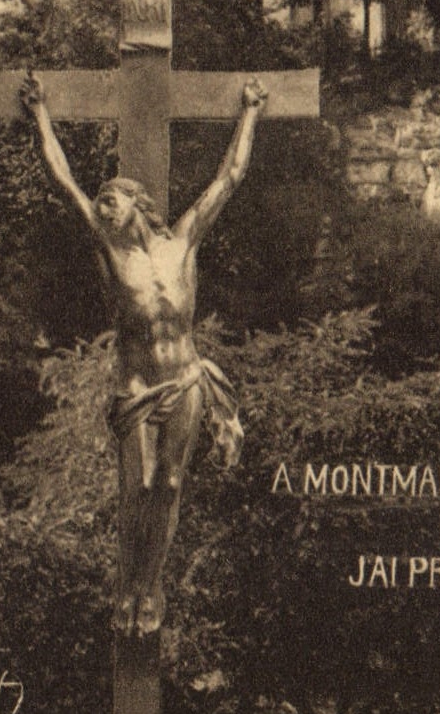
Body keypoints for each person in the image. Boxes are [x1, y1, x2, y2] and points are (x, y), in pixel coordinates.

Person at [20, 69, 268, 637]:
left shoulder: (183, 242)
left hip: (185, 380)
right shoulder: (112, 253)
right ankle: (125, 583)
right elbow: (64, 181)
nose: (103, 206)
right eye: (102, 201)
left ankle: (149, 587)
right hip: (136, 386)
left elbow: (229, 178)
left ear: (137, 202)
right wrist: (39, 114)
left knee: (171, 484)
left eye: (112, 199)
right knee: (138, 487)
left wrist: (250, 111)